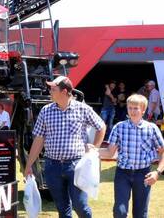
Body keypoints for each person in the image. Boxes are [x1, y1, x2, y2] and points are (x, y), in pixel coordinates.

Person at [24, 76, 106, 218]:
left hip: (76, 166)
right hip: (52, 167)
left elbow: (101, 126)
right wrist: (29, 165)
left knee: (80, 206)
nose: (50, 91)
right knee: (63, 209)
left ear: (65, 91)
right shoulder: (46, 111)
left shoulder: (83, 109)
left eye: (53, 89)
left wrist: (95, 148)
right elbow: (39, 139)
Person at [101, 94, 164, 218]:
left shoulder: (151, 128)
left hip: (143, 175)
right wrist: (91, 151)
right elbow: (109, 152)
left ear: (143, 110)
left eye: (135, 108)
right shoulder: (119, 127)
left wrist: (157, 172)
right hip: (122, 174)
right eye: (130, 108)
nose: (132, 111)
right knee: (119, 212)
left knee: (140, 214)